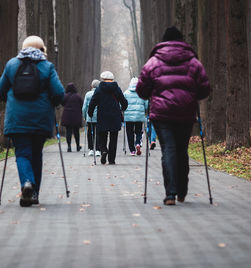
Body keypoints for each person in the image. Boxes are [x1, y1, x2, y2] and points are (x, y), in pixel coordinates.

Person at [136, 26, 211, 205]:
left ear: (163, 41)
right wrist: (192, 97)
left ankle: (170, 193)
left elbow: (141, 89)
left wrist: (151, 94)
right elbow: (205, 88)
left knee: (168, 149)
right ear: (182, 41)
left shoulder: (153, 62)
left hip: (162, 114)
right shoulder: (193, 62)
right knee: (181, 150)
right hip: (185, 113)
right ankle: (182, 191)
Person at [0, 35, 65, 207]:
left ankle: (26, 182)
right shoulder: (47, 66)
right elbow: (59, 93)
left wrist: (11, 101)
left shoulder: (11, 65)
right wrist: (53, 103)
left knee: (22, 153)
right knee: (36, 155)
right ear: (42, 49)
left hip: (17, 119)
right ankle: (34, 194)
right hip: (40, 119)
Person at [88, 71, 128, 165]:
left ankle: (103, 150)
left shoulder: (99, 89)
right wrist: (122, 109)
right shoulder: (117, 89)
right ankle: (111, 159)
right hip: (115, 116)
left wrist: (90, 113)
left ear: (103, 79)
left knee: (102, 136)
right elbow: (124, 102)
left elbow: (92, 102)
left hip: (102, 116)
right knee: (113, 138)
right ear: (112, 79)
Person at [123, 77, 148, 156]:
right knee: (138, 131)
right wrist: (145, 110)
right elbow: (146, 104)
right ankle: (137, 143)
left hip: (128, 117)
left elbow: (122, 104)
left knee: (129, 133)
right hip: (139, 116)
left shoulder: (126, 93)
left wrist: (123, 110)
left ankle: (132, 150)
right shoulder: (142, 92)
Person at [61, 83, 83, 152]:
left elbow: (62, 103)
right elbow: (81, 105)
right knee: (76, 132)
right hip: (76, 116)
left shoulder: (65, 96)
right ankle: (77, 146)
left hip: (67, 117)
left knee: (68, 132)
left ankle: (69, 147)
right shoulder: (78, 96)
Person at [82, 79, 101, 156]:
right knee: (99, 133)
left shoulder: (88, 94)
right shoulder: (101, 93)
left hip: (90, 117)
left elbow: (84, 107)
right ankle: (98, 149)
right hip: (99, 117)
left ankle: (91, 149)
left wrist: (84, 116)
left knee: (90, 133)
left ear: (92, 86)